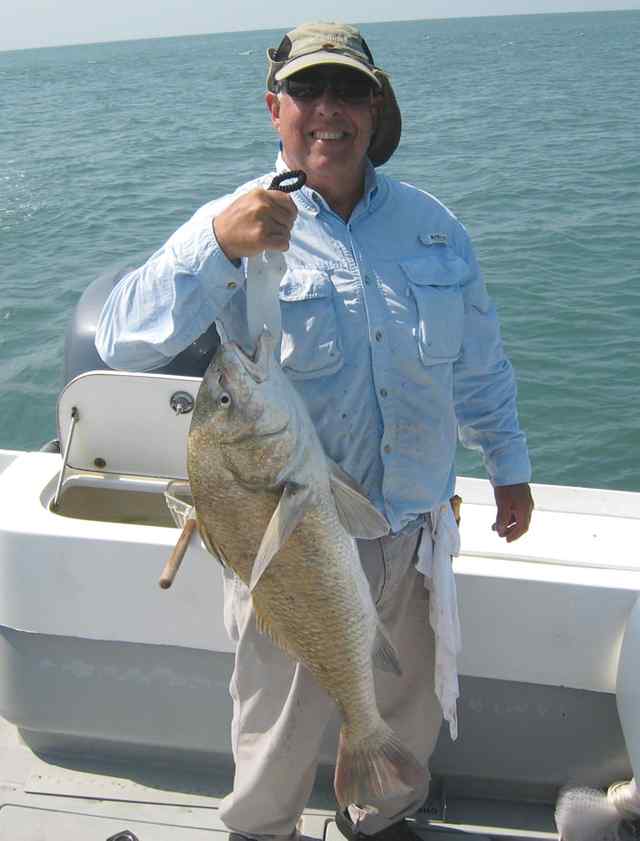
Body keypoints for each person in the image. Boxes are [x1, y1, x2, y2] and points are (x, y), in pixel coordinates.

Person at [95, 21, 534, 841]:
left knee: (398, 703)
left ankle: (386, 816)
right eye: (307, 91)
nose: (327, 109)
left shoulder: (434, 227)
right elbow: (124, 337)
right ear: (275, 109)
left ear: (375, 107)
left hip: (412, 527)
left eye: (348, 91)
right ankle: (263, 831)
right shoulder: (237, 223)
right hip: (285, 538)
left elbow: (479, 363)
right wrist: (217, 244)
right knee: (278, 729)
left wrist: (508, 463)